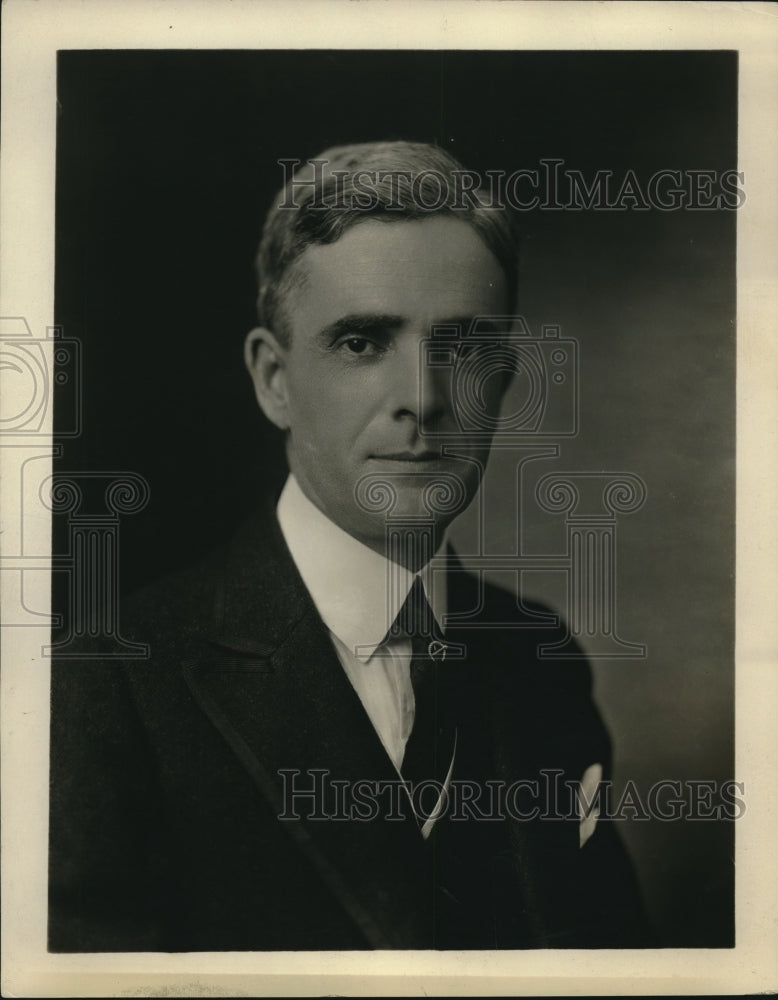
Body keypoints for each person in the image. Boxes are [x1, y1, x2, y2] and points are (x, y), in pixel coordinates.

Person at [48, 141, 652, 951]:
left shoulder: (539, 658)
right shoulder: (102, 687)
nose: (422, 399)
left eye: (464, 348)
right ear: (274, 380)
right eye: (363, 343)